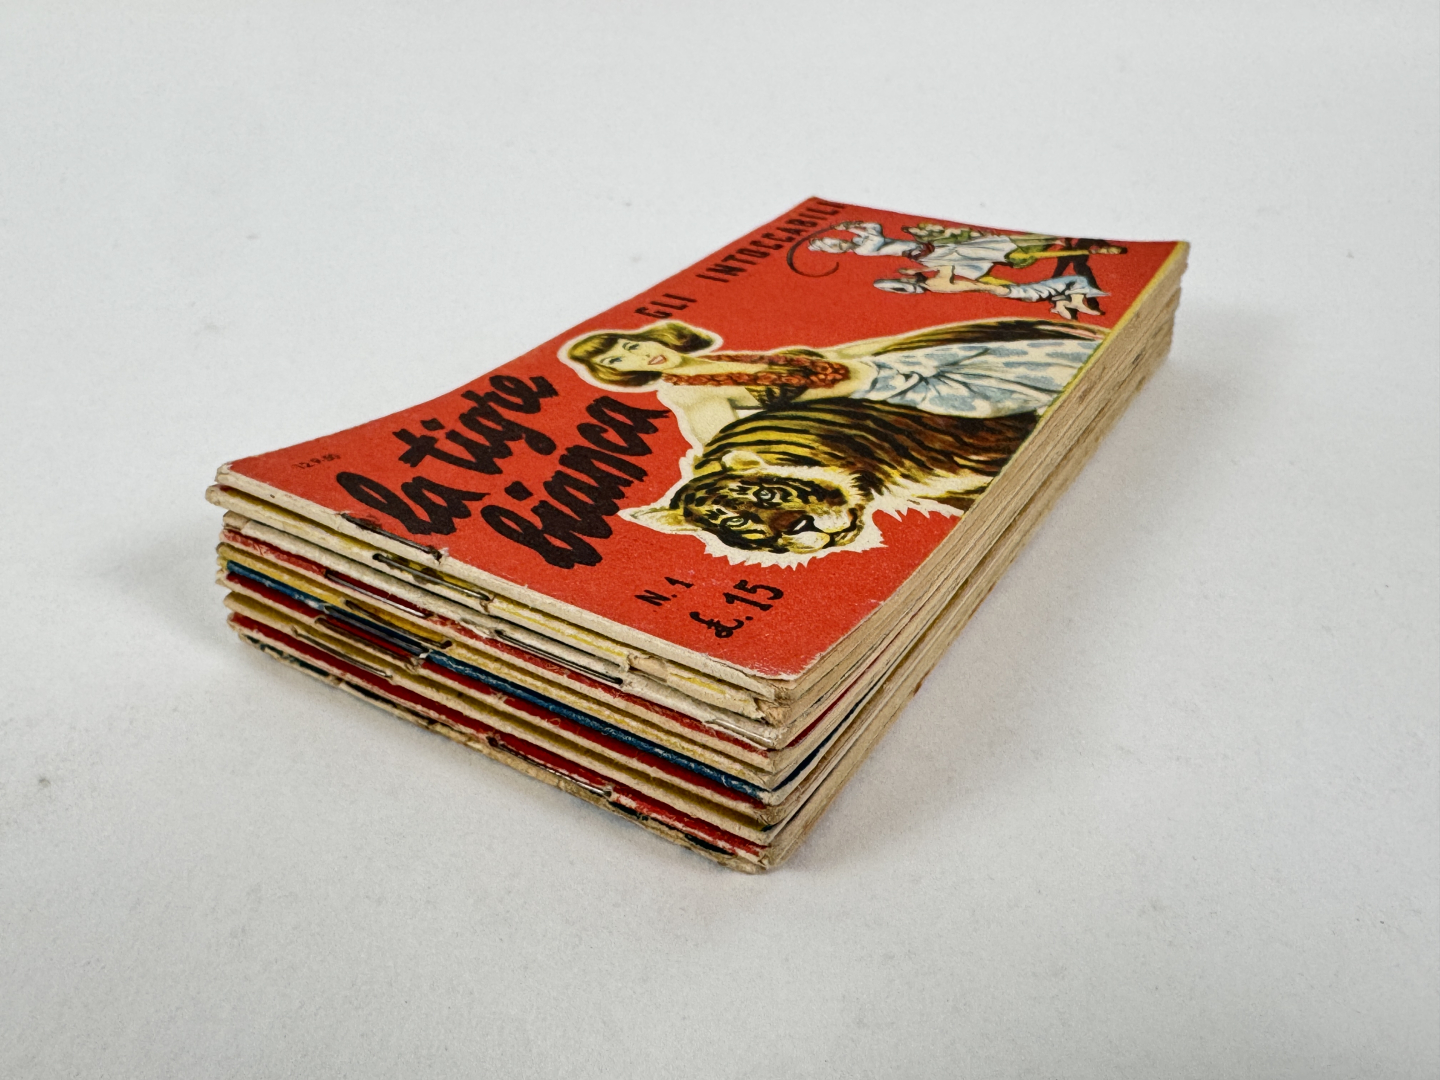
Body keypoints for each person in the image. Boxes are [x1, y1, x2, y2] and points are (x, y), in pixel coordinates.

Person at [564, 318, 1104, 445]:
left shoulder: (730, 354)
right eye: (621, 358)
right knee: (1024, 399)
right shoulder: (684, 390)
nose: (638, 353)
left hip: (912, 362)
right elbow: (721, 439)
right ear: (621, 373)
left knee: (1053, 357)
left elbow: (839, 354)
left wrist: (913, 342)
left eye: (630, 342)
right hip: (901, 395)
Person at [874, 265, 1108, 319]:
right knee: (1077, 279)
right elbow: (947, 265)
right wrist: (919, 269)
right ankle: (1077, 303)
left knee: (1056, 288)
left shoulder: (934, 285)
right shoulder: (935, 283)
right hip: (1012, 290)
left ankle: (1061, 305)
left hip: (1009, 291)